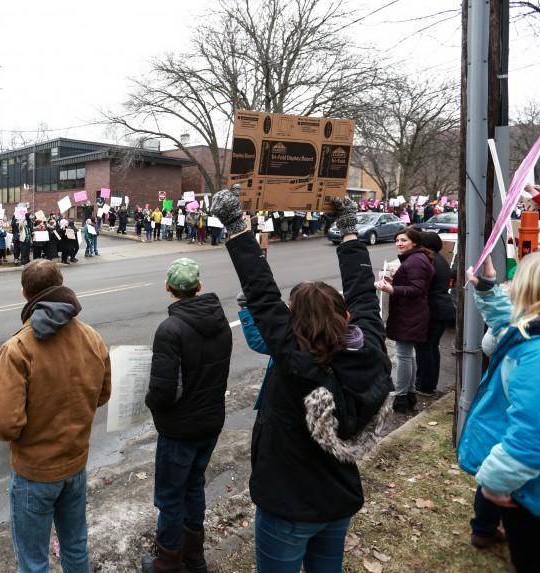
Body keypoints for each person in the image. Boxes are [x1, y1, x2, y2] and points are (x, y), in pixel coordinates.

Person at [211, 190, 393, 573]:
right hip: (338, 499)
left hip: (289, 504)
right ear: (347, 317)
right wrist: (347, 232)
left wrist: (236, 227)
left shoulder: (298, 363)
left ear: (295, 325)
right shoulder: (372, 348)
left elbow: (261, 295)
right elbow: (362, 294)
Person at [0, 260, 112, 573]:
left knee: (33, 560)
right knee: (75, 546)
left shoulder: (18, 348)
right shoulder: (92, 337)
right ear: (60, 285)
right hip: (76, 465)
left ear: (24, 293)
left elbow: (5, 423)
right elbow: (102, 395)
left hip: (34, 474)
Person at [143, 258, 232, 573]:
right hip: (210, 422)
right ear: (199, 287)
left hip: (179, 429)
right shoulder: (220, 321)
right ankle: (194, 557)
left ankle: (167, 561)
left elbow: (164, 393)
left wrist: (149, 400)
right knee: (194, 486)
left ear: (168, 288)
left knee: (169, 496)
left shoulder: (170, 329)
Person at [459, 253, 540, 572]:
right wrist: (487, 289)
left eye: (515, 281)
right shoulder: (530, 332)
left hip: (532, 494)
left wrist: (493, 482)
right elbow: (508, 322)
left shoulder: (535, 355)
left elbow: (531, 438)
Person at [375, 229, 434, 413]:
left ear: (414, 243)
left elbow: (417, 290)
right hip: (411, 313)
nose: (399, 243)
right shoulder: (416, 259)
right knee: (408, 355)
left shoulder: (415, 261)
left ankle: (401, 397)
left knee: (403, 356)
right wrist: (393, 281)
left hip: (410, 314)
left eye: (403, 240)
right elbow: (414, 285)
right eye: (397, 240)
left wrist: (391, 289)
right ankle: (409, 393)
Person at [414, 232, 456, 395]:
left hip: (433, 310)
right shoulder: (440, 259)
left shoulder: (430, 261)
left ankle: (424, 386)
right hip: (441, 309)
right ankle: (428, 385)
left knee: (425, 349)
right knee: (431, 347)